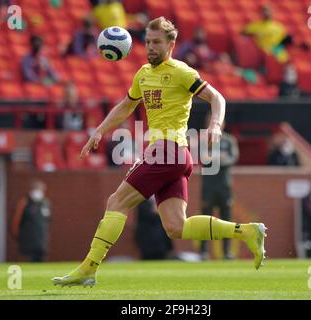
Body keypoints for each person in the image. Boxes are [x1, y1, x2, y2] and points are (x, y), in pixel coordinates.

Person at [52, 17, 267, 288]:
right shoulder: (143, 74)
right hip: (175, 156)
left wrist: (214, 124)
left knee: (116, 202)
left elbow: (217, 98)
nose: (150, 47)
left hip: (168, 151)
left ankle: (88, 269)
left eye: (156, 42)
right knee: (176, 227)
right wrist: (100, 130)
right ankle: (246, 231)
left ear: (171, 44)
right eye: (147, 42)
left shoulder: (180, 71)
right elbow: (126, 106)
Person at [200, 118, 240, 260]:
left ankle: (227, 252)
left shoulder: (229, 140)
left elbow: (233, 158)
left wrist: (215, 158)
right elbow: (203, 158)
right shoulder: (204, 140)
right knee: (206, 220)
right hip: (209, 186)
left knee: (227, 219)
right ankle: (203, 252)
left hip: (225, 186)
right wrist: (219, 157)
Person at [11, 181, 51, 262]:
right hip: (27, 241)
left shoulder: (45, 203)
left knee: (41, 261)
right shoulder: (24, 202)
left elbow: (47, 222)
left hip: (41, 241)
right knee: (28, 261)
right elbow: (16, 220)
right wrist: (17, 235)